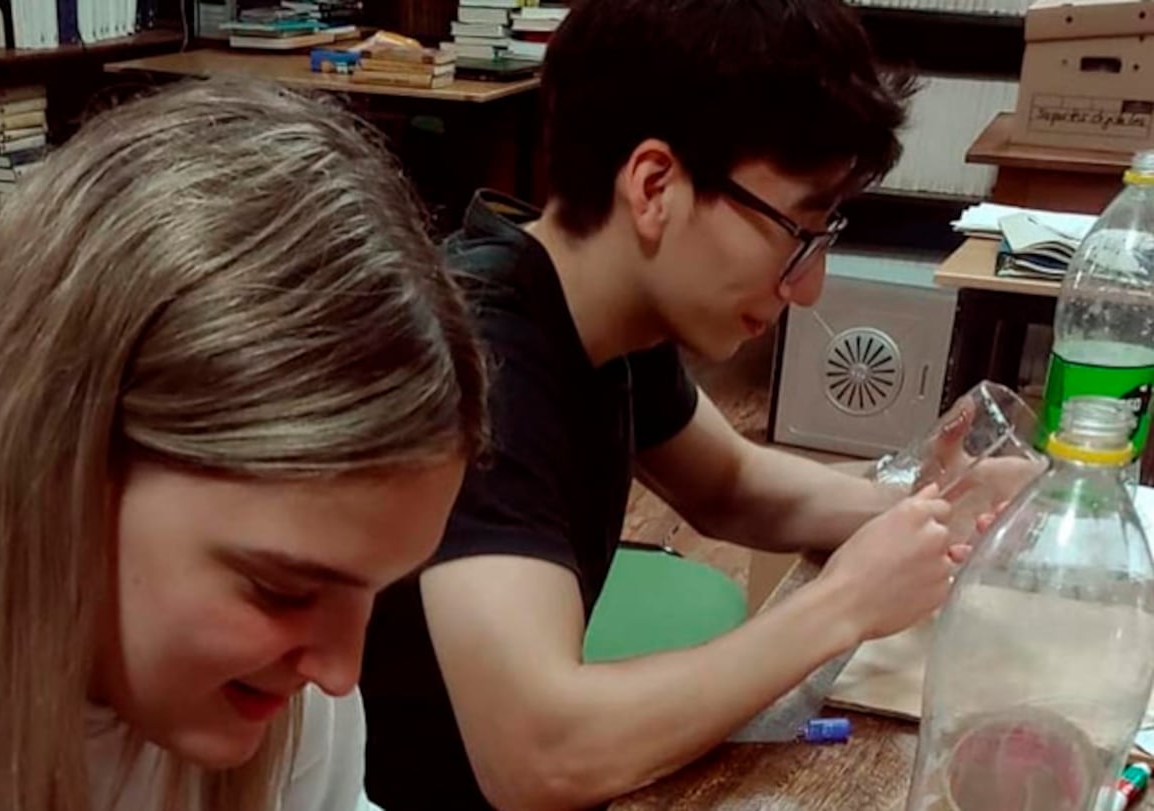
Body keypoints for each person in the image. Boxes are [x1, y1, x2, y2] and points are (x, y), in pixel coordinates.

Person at [0, 79, 486, 811]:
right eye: (280, 590)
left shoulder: (270, 662)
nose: (340, 672)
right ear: (60, 470)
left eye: (378, 590)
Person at [359, 2, 983, 810]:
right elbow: (540, 755)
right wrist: (843, 605)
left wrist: (931, 505)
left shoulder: (601, 301)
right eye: (795, 231)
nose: (809, 286)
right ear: (655, 186)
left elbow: (730, 485)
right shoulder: (482, 356)